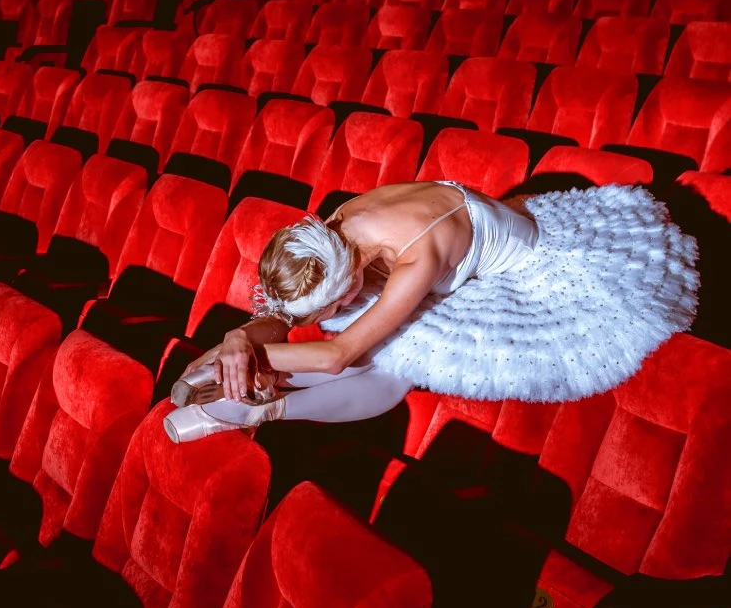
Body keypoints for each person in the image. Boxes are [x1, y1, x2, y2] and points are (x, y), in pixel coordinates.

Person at [163, 180, 699, 443]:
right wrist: (239, 338)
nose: (329, 312)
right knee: (358, 342)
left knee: (393, 363)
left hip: (536, 272)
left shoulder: (419, 253)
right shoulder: (334, 233)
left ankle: (260, 408)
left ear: (349, 277)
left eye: (336, 301)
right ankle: (240, 387)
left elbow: (336, 354)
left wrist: (245, 354)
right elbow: (290, 320)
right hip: (453, 253)